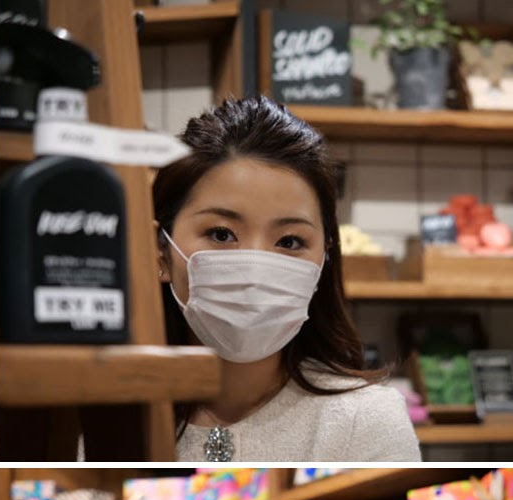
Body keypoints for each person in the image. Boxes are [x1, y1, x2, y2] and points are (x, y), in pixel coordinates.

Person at [153, 95, 421, 463]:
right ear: (160, 251)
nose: (256, 264)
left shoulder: (366, 420)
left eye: (290, 241)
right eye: (221, 234)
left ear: (323, 259)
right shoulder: (101, 413)